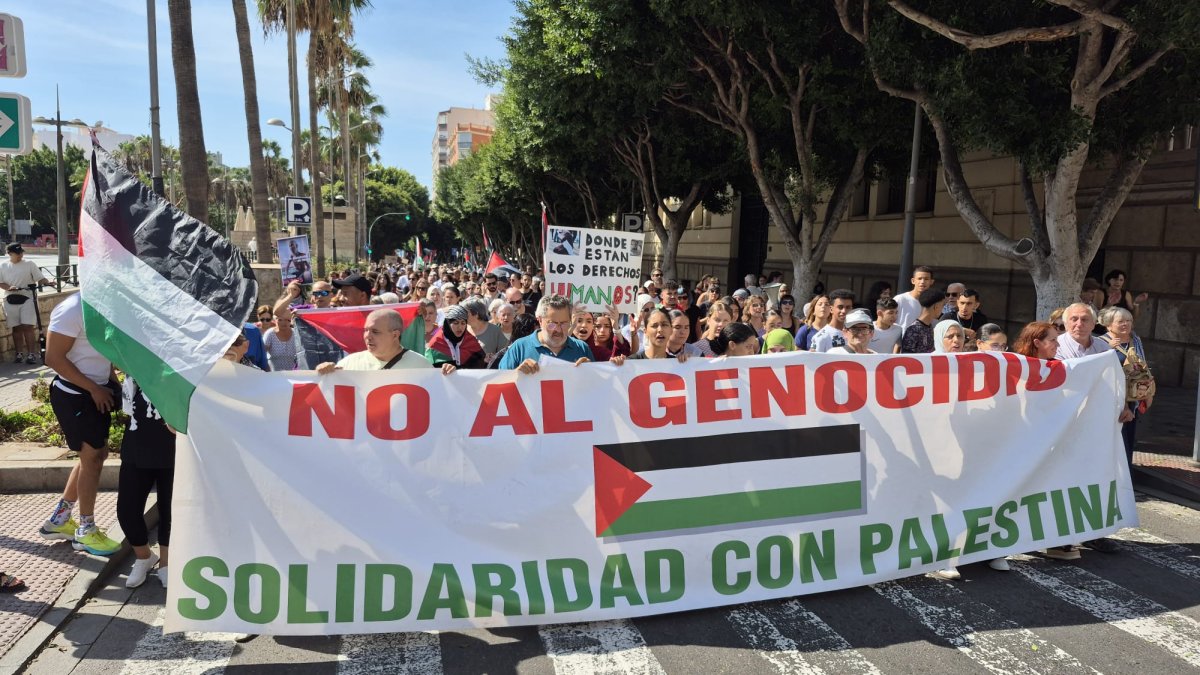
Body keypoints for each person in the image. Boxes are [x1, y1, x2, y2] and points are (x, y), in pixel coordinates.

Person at [40, 293, 122, 555]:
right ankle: (86, 531)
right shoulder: (73, 308)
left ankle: (59, 520)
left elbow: (100, 352)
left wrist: (113, 384)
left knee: (95, 455)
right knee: (93, 457)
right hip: (74, 395)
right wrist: (94, 389)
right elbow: (53, 358)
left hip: (97, 392)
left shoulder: (107, 304)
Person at [1054, 302, 1124, 555]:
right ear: (1065, 322)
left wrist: (1125, 405)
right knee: (1062, 480)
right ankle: (1058, 534)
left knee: (1094, 478)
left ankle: (1093, 533)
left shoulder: (1103, 348)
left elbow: (1115, 381)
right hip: (1064, 427)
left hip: (1094, 426)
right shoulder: (1056, 346)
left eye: (1085, 319)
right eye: (1074, 319)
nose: (1079, 324)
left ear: (1095, 324)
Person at [117, 378, 175, 588]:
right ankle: (144, 556)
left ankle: (167, 563)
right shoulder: (136, 367)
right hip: (137, 443)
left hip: (174, 447)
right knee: (127, 510)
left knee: (170, 510)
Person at [1099, 306, 1152, 467]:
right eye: (1121, 321)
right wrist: (1108, 350)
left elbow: (1142, 365)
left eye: (1129, 320)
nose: (1126, 324)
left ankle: (1127, 477)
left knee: (1127, 440)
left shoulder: (1135, 339)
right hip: (1112, 400)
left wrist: (1147, 392)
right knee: (1112, 442)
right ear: (1108, 324)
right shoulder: (1100, 342)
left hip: (1133, 397)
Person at [316, 308, 432, 373]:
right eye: (366, 330)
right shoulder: (349, 364)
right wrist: (323, 374)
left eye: (375, 332)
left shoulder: (421, 365)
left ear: (395, 335)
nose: (368, 336)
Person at [499, 295, 595, 373]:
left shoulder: (582, 348)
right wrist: (517, 373)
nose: (558, 330)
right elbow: (499, 383)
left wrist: (590, 371)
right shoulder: (519, 348)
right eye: (552, 324)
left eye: (564, 323)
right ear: (540, 320)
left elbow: (595, 386)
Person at [0, 242, 54, 364]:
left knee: (28, 326)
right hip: (10, 299)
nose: (20, 255)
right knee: (16, 328)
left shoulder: (29, 264)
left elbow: (40, 278)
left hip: (28, 298)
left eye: (21, 252)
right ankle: (19, 354)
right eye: (17, 253)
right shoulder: (3, 266)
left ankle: (31, 354)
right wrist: (9, 287)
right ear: (9, 253)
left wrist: (47, 282)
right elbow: (1, 282)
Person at [427, 304, 487, 369]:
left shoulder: (471, 341)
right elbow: (430, 369)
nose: (460, 327)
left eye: (463, 323)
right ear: (448, 323)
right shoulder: (435, 344)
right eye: (456, 323)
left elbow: (481, 364)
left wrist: (487, 360)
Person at [623, 308, 689, 363]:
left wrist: (687, 363)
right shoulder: (632, 362)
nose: (660, 330)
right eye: (654, 326)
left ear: (671, 330)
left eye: (664, 325)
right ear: (645, 331)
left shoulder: (677, 363)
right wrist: (619, 364)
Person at [900, 288, 947, 354]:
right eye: (942, 305)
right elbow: (906, 356)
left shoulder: (932, 327)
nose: (943, 309)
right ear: (936, 307)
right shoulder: (913, 329)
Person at [462, 297, 507, 364]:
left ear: (476, 314)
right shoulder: (462, 330)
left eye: (464, 312)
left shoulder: (495, 331)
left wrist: (494, 358)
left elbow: (505, 355)